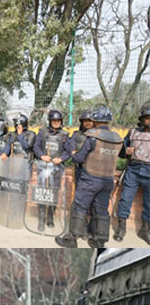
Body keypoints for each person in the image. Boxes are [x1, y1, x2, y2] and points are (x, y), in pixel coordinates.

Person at [56, 105, 124, 248]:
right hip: (108, 180)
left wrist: (75, 155)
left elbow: (79, 158)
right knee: (101, 209)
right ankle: (99, 240)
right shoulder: (117, 138)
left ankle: (72, 238)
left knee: (79, 206)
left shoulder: (93, 137)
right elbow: (123, 154)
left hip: (90, 179)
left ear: (95, 119)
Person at [114, 104, 150, 242]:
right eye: (146, 118)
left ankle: (144, 230)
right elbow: (121, 151)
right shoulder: (133, 132)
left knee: (149, 203)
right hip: (133, 170)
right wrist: (126, 151)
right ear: (141, 120)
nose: (149, 120)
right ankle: (121, 228)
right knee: (125, 199)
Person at [33, 110, 72, 228]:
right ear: (50, 121)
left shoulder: (64, 135)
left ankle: (50, 216)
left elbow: (68, 151)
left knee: (54, 191)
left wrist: (61, 159)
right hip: (43, 166)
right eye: (54, 120)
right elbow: (36, 147)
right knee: (42, 191)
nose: (56, 122)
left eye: (58, 120)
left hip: (57, 167)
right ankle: (41, 218)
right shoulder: (42, 132)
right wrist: (42, 156)